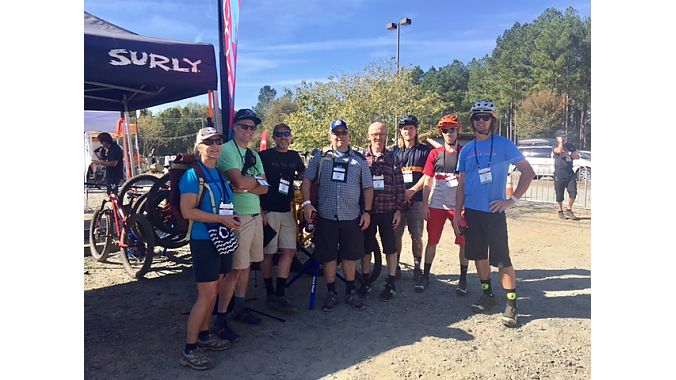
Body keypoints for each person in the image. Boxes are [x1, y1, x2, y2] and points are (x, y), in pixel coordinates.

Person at [454, 100, 534, 327]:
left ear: (493, 120)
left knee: (501, 259)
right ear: (472, 121)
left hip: (494, 213)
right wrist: (456, 214)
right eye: (477, 117)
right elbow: (461, 185)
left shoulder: (504, 144)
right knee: (479, 256)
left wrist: (512, 200)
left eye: (485, 117)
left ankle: (511, 304)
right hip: (472, 212)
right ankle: (487, 295)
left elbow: (528, 172)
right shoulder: (467, 150)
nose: (481, 121)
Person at [178, 127, 240, 370]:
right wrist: (222, 220)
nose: (215, 146)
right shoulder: (193, 175)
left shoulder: (220, 174)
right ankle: (189, 349)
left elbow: (222, 205)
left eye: (218, 141)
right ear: (199, 146)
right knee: (206, 296)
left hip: (223, 237)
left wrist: (231, 217)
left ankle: (204, 335)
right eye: (208, 142)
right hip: (204, 240)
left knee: (215, 289)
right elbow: (188, 211)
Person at [301, 119, 373, 312]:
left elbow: (367, 188)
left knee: (350, 257)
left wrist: (367, 211)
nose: (340, 136)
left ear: (348, 135)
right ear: (330, 136)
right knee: (329, 257)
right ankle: (331, 292)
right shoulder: (320, 157)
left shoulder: (359, 160)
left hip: (352, 216)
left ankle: (350, 291)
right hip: (326, 216)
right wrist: (307, 204)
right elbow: (306, 181)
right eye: (336, 133)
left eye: (343, 132)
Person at [214, 109, 269, 335]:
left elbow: (265, 188)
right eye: (244, 126)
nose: (248, 130)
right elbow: (238, 181)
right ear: (234, 127)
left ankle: (240, 306)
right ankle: (221, 317)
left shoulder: (254, 155)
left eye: (252, 127)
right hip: (238, 216)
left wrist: (250, 185)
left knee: (246, 266)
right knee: (234, 270)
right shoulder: (226, 150)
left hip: (255, 214)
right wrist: (251, 184)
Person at [258, 123, 306, 314]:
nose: (283, 138)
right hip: (268, 210)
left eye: (286, 134)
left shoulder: (295, 157)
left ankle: (280, 294)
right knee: (268, 254)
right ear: (274, 138)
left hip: (286, 210)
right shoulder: (264, 156)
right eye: (279, 135)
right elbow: (254, 180)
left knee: (289, 250)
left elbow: (304, 175)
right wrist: (259, 209)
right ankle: (270, 293)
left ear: (291, 136)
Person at [419, 115, 469, 294]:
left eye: (452, 129)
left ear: (458, 130)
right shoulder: (435, 153)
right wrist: (425, 204)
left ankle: (463, 280)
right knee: (432, 241)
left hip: (459, 206)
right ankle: (425, 276)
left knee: (464, 243)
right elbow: (427, 181)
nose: (448, 133)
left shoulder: (465, 153)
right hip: (437, 204)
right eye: (445, 130)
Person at [358, 122, 405, 301]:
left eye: (382, 133)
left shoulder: (393, 158)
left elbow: (400, 185)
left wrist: (399, 210)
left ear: (386, 135)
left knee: (390, 248)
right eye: (375, 134)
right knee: (366, 248)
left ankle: (391, 281)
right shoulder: (361, 158)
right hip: (367, 212)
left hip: (388, 211)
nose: (378, 137)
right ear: (368, 135)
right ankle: (366, 280)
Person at [391, 115, 431, 284]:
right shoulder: (393, 151)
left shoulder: (424, 151)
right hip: (397, 200)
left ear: (416, 130)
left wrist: (413, 191)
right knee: (396, 234)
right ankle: (396, 266)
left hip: (417, 199)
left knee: (416, 235)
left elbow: (428, 175)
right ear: (401, 131)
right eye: (405, 128)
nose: (408, 131)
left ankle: (417, 267)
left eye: (411, 128)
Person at [552, 130, 580, 220]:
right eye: (562, 137)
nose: (565, 138)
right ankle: (560, 211)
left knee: (573, 192)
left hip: (569, 173)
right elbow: (559, 151)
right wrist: (560, 143)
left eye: (565, 137)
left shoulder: (570, 146)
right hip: (559, 173)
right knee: (559, 194)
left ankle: (569, 209)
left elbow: (577, 156)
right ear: (558, 138)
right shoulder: (555, 146)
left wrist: (568, 154)